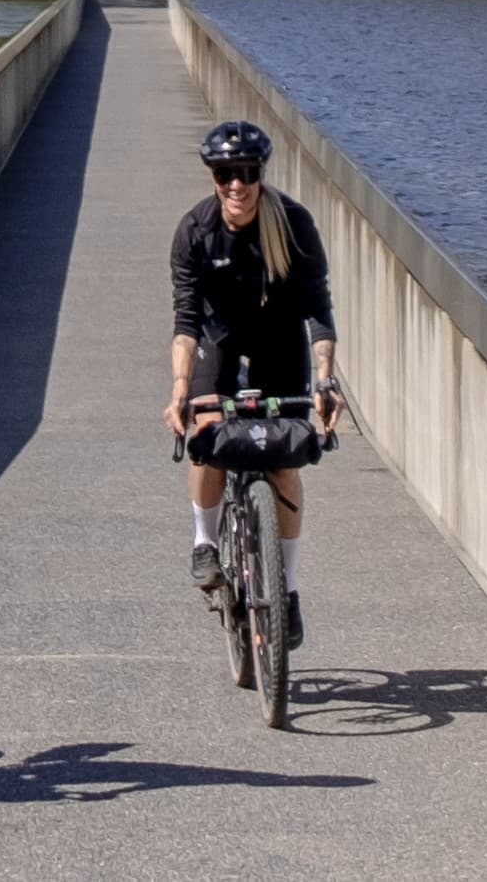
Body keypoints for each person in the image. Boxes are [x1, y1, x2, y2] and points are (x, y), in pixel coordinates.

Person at [164, 119, 340, 648]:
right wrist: (179, 391)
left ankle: (285, 593)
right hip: (220, 341)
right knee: (208, 436)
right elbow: (187, 320)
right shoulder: (195, 231)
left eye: (247, 173)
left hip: (280, 344)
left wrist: (326, 380)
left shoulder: (293, 225)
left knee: (284, 463)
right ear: (213, 177)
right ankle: (204, 543)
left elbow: (318, 310)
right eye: (225, 174)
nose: (236, 185)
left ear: (261, 173)